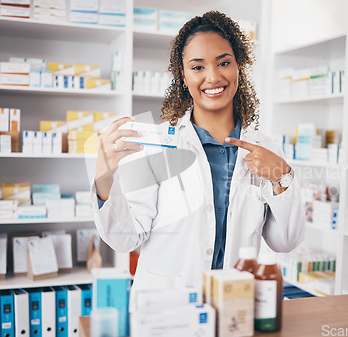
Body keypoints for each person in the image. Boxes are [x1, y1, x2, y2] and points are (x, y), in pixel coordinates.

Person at [92, 11, 305, 294]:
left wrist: (283, 178)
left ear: (238, 67)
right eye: (197, 67)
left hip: (235, 304)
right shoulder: (159, 145)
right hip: (168, 308)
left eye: (224, 63)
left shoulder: (266, 149)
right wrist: (104, 178)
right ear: (183, 75)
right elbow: (127, 239)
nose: (213, 77)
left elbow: (284, 242)